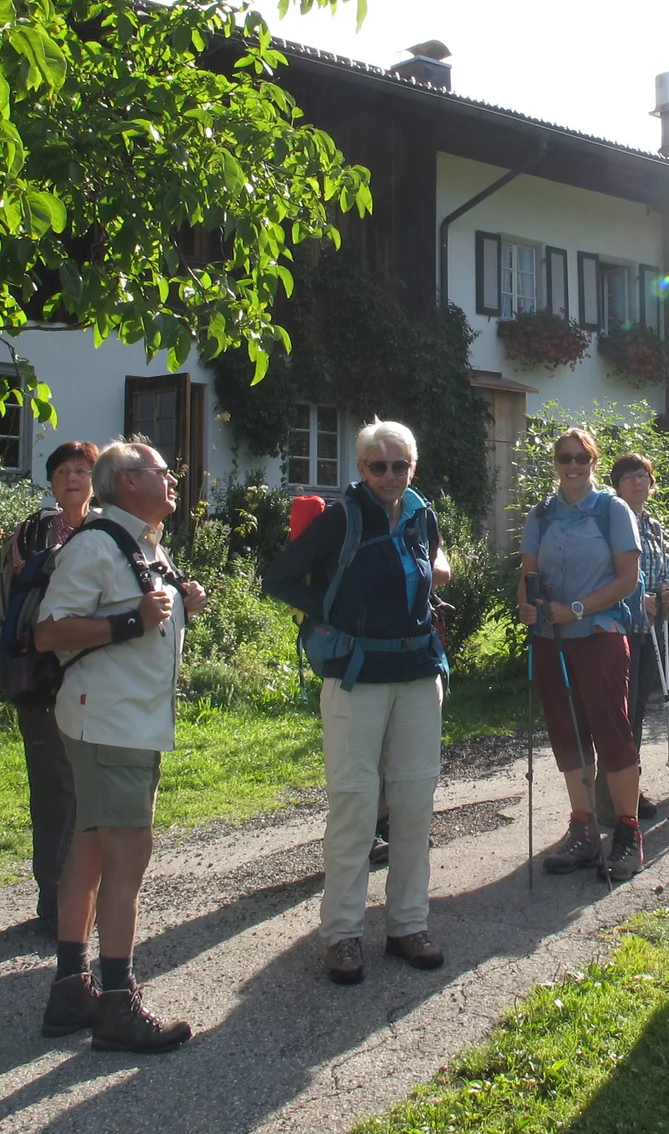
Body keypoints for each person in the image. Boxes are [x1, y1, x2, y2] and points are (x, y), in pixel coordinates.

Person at [31, 438, 208, 1051]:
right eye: (163, 471)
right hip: (111, 723)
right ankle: (115, 1004)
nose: (172, 479)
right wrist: (132, 620)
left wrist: (180, 603)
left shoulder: (140, 544)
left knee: (90, 850)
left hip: (123, 720)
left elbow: (145, 615)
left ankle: (70, 987)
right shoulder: (98, 544)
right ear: (128, 481)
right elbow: (49, 631)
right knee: (127, 858)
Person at [265, 420, 452, 986]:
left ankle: (407, 926)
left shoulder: (422, 516)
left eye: (400, 466)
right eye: (379, 466)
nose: (390, 475)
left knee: (416, 805)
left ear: (412, 468)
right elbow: (278, 577)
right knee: (353, 806)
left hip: (419, 672)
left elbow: (428, 573)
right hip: (356, 677)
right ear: (362, 469)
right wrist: (328, 614)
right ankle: (343, 935)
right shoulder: (341, 519)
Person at [517, 427, 646, 881]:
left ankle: (627, 834)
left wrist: (575, 609)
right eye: (564, 458)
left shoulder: (612, 510)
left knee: (611, 730)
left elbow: (628, 580)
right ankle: (584, 828)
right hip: (551, 640)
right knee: (566, 733)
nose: (572, 466)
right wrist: (526, 605)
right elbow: (528, 573)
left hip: (600, 634)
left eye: (581, 458)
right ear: (555, 462)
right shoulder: (541, 515)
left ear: (593, 461)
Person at [5, 440, 99, 930]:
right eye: (63, 470)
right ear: (51, 480)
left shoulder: (110, 528)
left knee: (96, 785)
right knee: (52, 787)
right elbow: (4, 602)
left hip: (100, 675)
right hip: (42, 674)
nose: (73, 478)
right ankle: (53, 901)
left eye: (82, 470)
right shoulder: (31, 533)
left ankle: (88, 898)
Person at [594, 452, 669, 826]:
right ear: (616, 485)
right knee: (617, 714)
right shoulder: (606, 522)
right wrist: (634, 597)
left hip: (647, 633)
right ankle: (607, 798)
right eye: (629, 476)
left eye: (643, 475)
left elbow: (664, 571)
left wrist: (668, 592)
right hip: (616, 629)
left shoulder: (656, 527)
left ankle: (628, 788)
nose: (637, 482)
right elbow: (599, 573)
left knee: (637, 712)